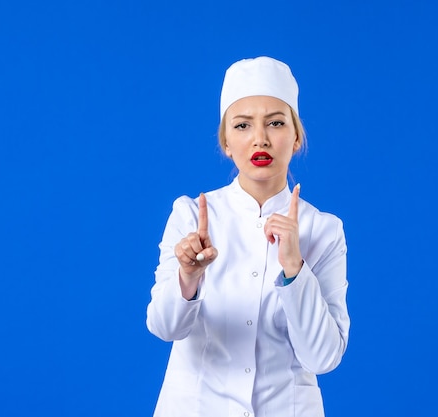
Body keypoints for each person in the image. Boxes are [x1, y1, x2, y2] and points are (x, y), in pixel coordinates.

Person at [146, 56, 350, 417]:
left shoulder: (324, 230)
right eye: (242, 126)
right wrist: (188, 278)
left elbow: (323, 357)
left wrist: (294, 269)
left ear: (296, 136)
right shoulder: (190, 216)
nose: (260, 139)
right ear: (226, 142)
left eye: (275, 123)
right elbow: (164, 327)